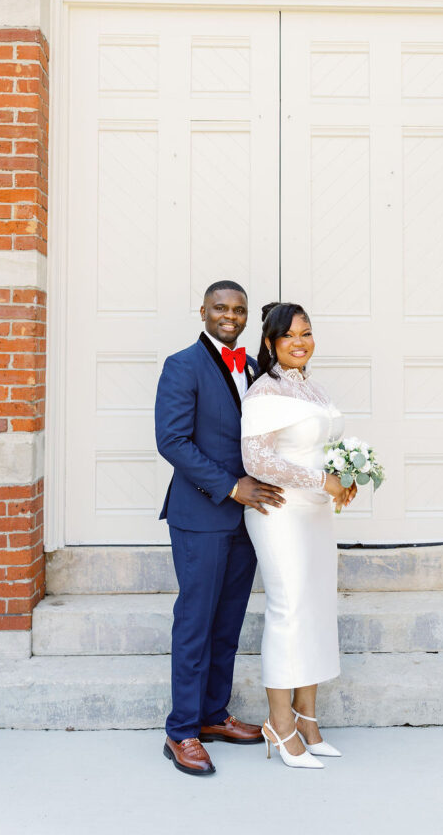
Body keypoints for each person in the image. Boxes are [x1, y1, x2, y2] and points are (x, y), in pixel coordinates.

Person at [155, 281, 285, 777]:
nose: (230, 316)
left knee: (227, 623)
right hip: (202, 513)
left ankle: (213, 714)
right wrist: (232, 487)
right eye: (220, 308)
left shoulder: (253, 368)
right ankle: (182, 730)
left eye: (239, 310)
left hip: (248, 520)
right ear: (203, 310)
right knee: (195, 622)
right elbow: (172, 441)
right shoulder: (181, 365)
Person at [241, 301, 356, 770]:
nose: (300, 342)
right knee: (288, 610)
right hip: (280, 512)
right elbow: (258, 461)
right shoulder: (264, 392)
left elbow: (321, 448)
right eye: (289, 336)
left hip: (316, 514)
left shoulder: (315, 388)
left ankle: (307, 719)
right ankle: (279, 724)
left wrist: (344, 476)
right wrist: (319, 480)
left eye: (306, 333)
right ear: (270, 343)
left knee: (315, 609)